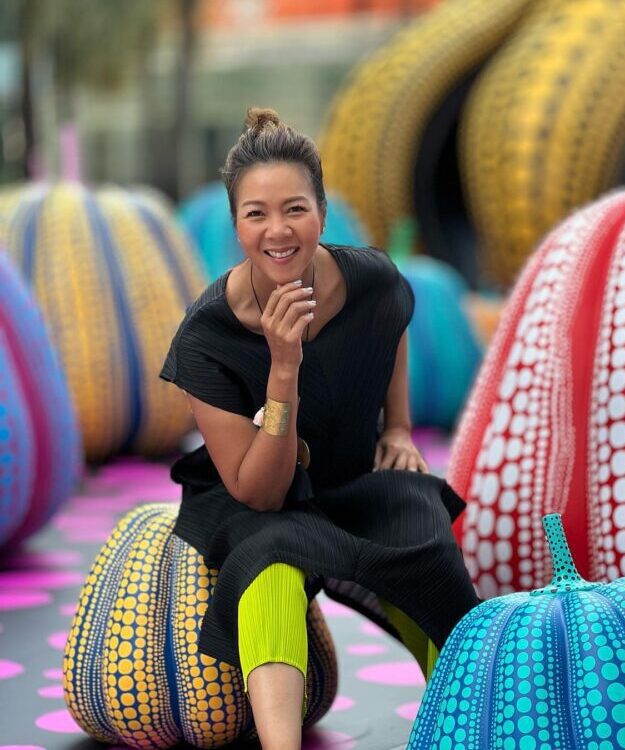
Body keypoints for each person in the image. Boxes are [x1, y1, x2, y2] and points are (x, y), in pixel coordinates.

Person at [160, 107, 480, 750]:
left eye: (295, 209)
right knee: (266, 563)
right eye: (257, 214)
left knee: (424, 533)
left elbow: (389, 324)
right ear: (237, 226)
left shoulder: (370, 278)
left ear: (323, 213)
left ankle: (467, 716)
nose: (278, 230)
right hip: (261, 496)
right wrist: (283, 367)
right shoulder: (206, 337)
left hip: (353, 472)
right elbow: (259, 492)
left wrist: (399, 427)